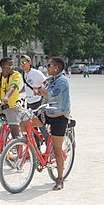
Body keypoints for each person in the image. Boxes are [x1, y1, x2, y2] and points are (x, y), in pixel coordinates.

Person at [21, 57, 71, 191]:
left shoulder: (62, 81)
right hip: (47, 113)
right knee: (24, 124)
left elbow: (51, 95)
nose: (46, 67)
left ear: (56, 68)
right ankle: (35, 152)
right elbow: (42, 90)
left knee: (57, 150)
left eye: (49, 65)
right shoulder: (50, 80)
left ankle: (59, 179)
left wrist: (40, 90)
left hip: (59, 117)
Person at [19, 55, 49, 142]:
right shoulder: (24, 74)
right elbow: (27, 86)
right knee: (32, 127)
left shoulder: (36, 73)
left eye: (24, 62)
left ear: (30, 63)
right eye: (21, 63)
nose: (22, 64)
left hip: (38, 102)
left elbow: (46, 83)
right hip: (29, 103)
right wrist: (18, 92)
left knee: (41, 125)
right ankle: (37, 148)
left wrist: (40, 90)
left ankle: (49, 147)